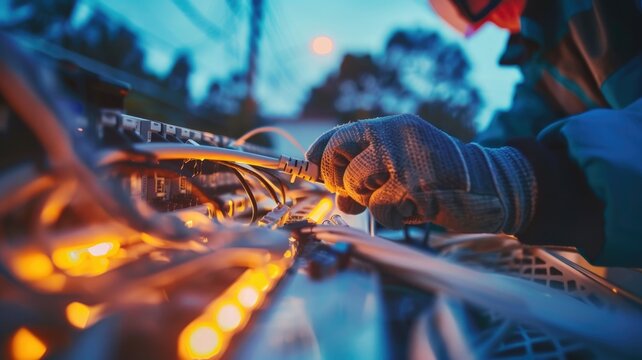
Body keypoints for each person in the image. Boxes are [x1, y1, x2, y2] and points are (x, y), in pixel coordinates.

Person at [305, 0, 642, 267]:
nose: (488, 24)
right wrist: (429, 185)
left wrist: (521, 184)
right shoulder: (543, 59)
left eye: (476, 6)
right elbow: (500, 144)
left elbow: (504, 174)